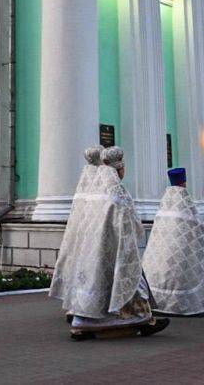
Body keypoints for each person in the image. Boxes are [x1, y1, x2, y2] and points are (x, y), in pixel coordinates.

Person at [51, 146, 169, 340]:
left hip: (92, 248)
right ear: (119, 169)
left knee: (94, 281)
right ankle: (140, 319)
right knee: (126, 281)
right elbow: (131, 222)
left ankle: (83, 320)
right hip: (115, 248)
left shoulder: (92, 191)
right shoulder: (117, 192)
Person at [142, 167, 204, 316]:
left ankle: (158, 301)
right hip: (183, 250)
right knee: (182, 273)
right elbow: (196, 224)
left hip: (164, 250)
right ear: (184, 183)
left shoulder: (165, 202)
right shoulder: (185, 200)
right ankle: (180, 303)